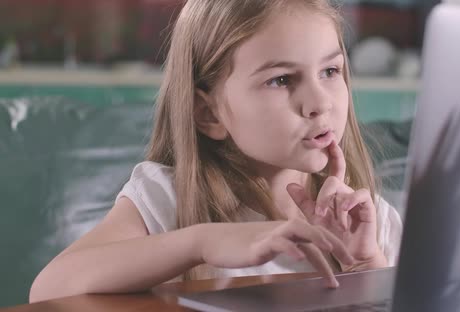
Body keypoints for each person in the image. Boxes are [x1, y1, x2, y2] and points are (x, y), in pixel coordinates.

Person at [29, 0, 402, 303]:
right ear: (208, 113)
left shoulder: (369, 221)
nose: (320, 103)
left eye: (331, 71)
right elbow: (49, 289)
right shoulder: (166, 199)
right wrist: (204, 242)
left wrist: (364, 264)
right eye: (281, 80)